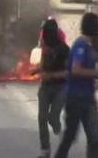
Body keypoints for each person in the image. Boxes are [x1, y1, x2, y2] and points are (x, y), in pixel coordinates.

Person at [54, 13, 98, 158]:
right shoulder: (80, 45)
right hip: (76, 97)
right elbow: (76, 69)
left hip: (87, 97)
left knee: (95, 135)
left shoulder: (89, 45)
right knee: (70, 135)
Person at [32, 19, 70, 158]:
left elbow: (68, 72)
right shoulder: (45, 47)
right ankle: (45, 150)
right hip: (45, 87)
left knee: (53, 118)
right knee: (42, 118)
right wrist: (37, 70)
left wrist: (50, 75)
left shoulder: (65, 49)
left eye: (46, 32)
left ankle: (59, 132)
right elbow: (44, 63)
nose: (45, 35)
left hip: (60, 88)